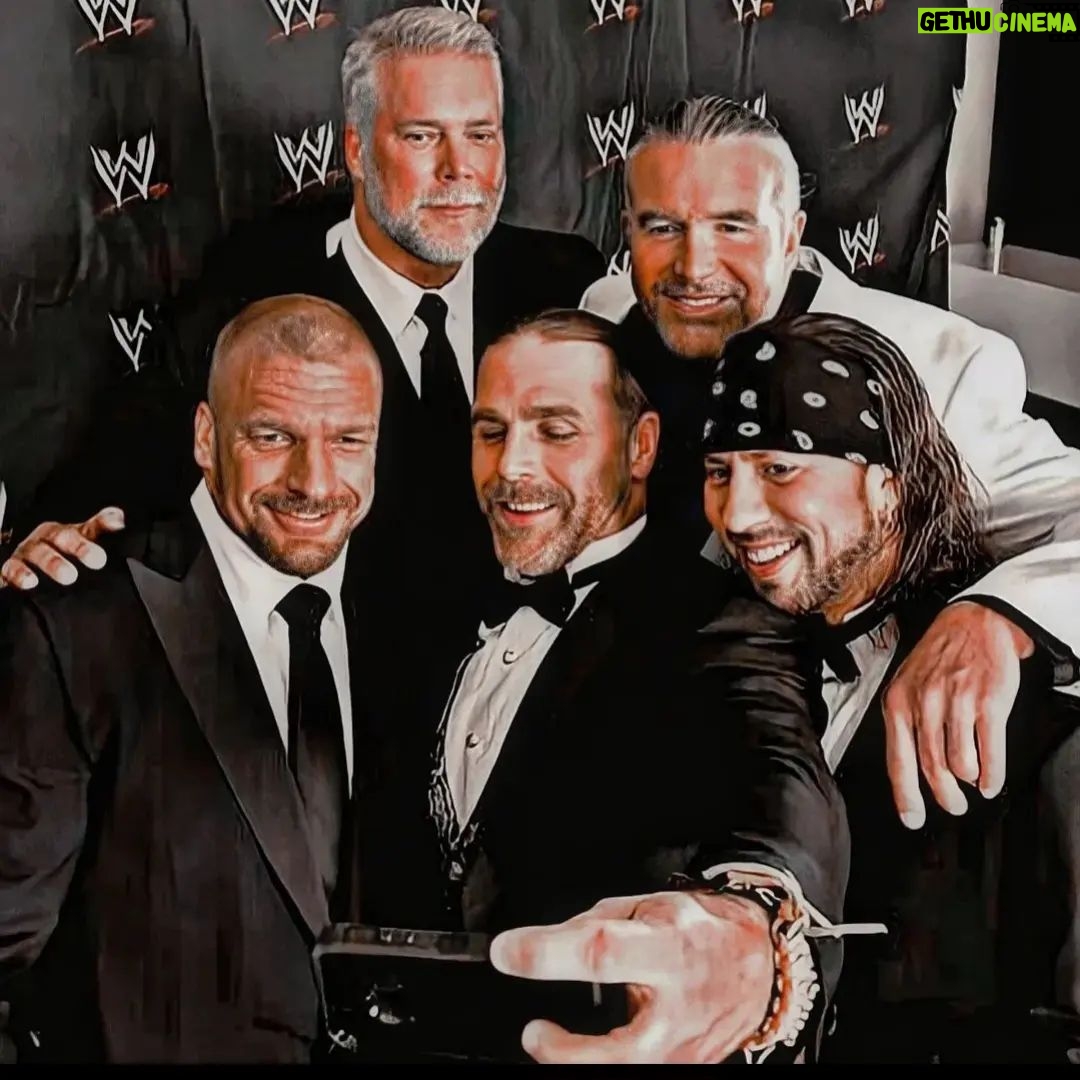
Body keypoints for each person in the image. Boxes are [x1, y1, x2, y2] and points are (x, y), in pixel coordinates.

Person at [5, 4, 604, 671]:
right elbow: (111, 484)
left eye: (481, 134)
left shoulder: (561, 280)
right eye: (421, 136)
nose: (458, 168)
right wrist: (53, 537)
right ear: (356, 150)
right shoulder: (245, 299)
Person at [355, 310, 853, 1065]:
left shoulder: (720, 623)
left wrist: (753, 932)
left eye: (556, 431)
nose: (512, 467)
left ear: (641, 445)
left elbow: (781, 779)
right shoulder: (428, 599)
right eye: (491, 432)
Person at [578, 93, 1080, 830]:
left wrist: (999, 616)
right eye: (663, 227)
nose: (694, 265)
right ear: (628, 231)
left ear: (792, 233)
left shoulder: (937, 370)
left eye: (733, 226)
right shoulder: (605, 312)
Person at [0, 296, 387, 1063]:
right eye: (272, 437)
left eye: (348, 439)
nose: (314, 482)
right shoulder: (72, 618)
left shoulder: (415, 618)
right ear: (207, 438)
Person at [698, 312, 1080, 1061]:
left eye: (779, 469)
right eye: (720, 472)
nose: (736, 514)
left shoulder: (1037, 727)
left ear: (885, 488)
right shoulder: (701, 652)